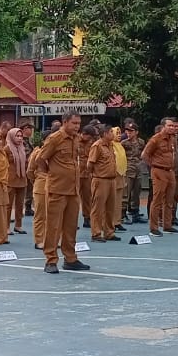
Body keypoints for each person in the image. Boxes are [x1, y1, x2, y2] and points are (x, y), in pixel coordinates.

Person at [38, 113, 89, 274]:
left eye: (78, 123)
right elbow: (41, 159)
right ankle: (50, 260)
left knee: (71, 226)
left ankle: (70, 258)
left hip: (73, 190)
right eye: (74, 123)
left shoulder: (75, 138)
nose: (77, 126)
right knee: (53, 226)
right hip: (57, 189)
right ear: (64, 122)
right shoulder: (55, 138)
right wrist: (52, 173)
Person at [142, 118, 178, 235]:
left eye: (174, 126)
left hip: (170, 171)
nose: (172, 128)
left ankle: (167, 225)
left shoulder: (173, 139)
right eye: (170, 126)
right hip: (159, 170)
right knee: (157, 199)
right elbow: (144, 155)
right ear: (163, 126)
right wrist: (154, 166)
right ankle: (153, 228)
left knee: (170, 199)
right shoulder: (155, 139)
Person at [86, 124, 119, 241]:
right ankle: (96, 233)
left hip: (111, 180)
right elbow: (90, 164)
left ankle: (109, 232)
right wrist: (94, 176)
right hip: (100, 179)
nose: (113, 134)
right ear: (105, 134)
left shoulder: (110, 145)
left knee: (110, 208)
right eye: (111, 132)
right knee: (98, 208)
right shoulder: (97, 146)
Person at [120, 119, 145, 224]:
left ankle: (135, 213)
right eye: (127, 131)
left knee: (136, 193)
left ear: (136, 132)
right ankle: (122, 214)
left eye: (131, 131)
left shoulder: (141, 142)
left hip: (138, 169)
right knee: (125, 193)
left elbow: (143, 154)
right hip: (128, 169)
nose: (128, 133)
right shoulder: (124, 143)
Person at [5, 126, 29, 235]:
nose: (19, 138)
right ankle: (6, 227)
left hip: (22, 179)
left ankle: (18, 225)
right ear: (11, 136)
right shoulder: (7, 148)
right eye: (17, 136)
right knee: (8, 205)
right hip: (10, 180)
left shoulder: (22, 147)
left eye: (21, 136)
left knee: (20, 204)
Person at [28, 136, 48, 251]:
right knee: (40, 214)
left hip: (53, 186)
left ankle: (50, 239)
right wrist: (36, 180)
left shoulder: (55, 154)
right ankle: (39, 240)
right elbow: (30, 171)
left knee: (52, 215)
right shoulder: (37, 153)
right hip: (40, 185)